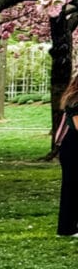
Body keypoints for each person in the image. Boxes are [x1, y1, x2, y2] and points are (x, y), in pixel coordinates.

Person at [57, 74, 78, 237]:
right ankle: (67, 228)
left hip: (71, 145)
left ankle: (68, 227)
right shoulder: (75, 102)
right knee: (71, 187)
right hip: (74, 147)